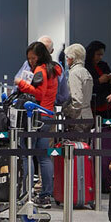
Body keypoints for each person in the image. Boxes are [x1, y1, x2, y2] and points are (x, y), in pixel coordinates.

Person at [15, 41, 61, 207]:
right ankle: (46, 195)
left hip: (35, 116)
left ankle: (27, 194)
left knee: (27, 154)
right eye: (29, 58)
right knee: (44, 157)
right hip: (47, 116)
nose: (31, 61)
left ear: (41, 56)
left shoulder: (40, 70)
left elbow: (39, 94)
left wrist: (20, 83)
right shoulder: (53, 70)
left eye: (33, 58)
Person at [62, 44, 94, 123]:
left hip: (78, 118)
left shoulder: (74, 73)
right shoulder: (86, 72)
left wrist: (67, 112)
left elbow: (77, 101)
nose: (66, 59)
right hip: (88, 114)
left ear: (72, 58)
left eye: (67, 57)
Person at [85, 40, 111, 114]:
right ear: (91, 53)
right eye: (98, 54)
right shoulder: (85, 67)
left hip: (105, 102)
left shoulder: (103, 65)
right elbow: (85, 86)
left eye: (102, 55)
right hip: (92, 104)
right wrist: (99, 81)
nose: (100, 57)